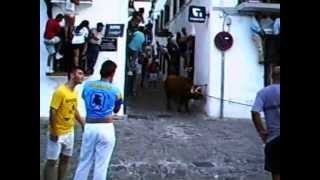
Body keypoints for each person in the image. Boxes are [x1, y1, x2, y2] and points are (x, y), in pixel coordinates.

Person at [73, 60, 123, 180]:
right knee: (101, 165)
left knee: (84, 161)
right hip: (106, 127)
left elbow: (84, 98)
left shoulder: (87, 85)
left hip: (90, 125)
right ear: (112, 73)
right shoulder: (116, 90)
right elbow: (116, 109)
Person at [43, 66, 86, 180]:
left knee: (65, 159)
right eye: (80, 73)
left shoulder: (74, 92)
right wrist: (54, 131)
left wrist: (82, 123)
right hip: (58, 131)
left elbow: (74, 109)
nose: (82, 77)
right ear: (72, 75)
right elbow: (53, 110)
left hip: (69, 131)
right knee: (52, 161)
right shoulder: (60, 91)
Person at [251, 66, 280, 180]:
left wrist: (261, 131)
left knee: (276, 170)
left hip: (274, 138)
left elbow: (255, 112)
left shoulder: (263, 92)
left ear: (271, 76)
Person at [127, 26, 145, 96]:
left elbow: (131, 36)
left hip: (130, 47)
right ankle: (133, 91)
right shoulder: (143, 36)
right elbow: (141, 45)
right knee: (135, 78)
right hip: (136, 51)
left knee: (129, 58)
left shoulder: (136, 33)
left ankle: (130, 68)